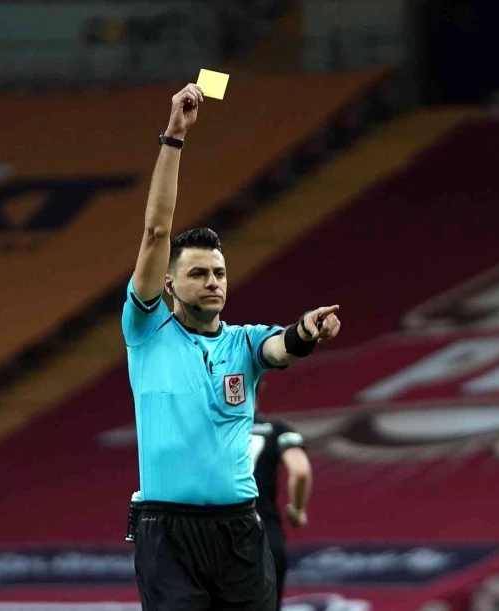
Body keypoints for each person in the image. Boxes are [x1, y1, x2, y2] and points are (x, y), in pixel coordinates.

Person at [121, 82, 341, 611]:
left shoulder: (245, 342)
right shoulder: (146, 330)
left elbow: (283, 346)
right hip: (167, 533)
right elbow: (156, 232)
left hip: (240, 529)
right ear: (169, 285)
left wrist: (307, 329)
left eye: (219, 273)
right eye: (198, 273)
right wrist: (174, 137)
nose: (213, 282)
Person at [252, 379, 313, 611]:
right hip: (264, 535)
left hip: (214, 536)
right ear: (259, 387)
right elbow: (300, 471)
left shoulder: (212, 429)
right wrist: (297, 510)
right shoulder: (278, 429)